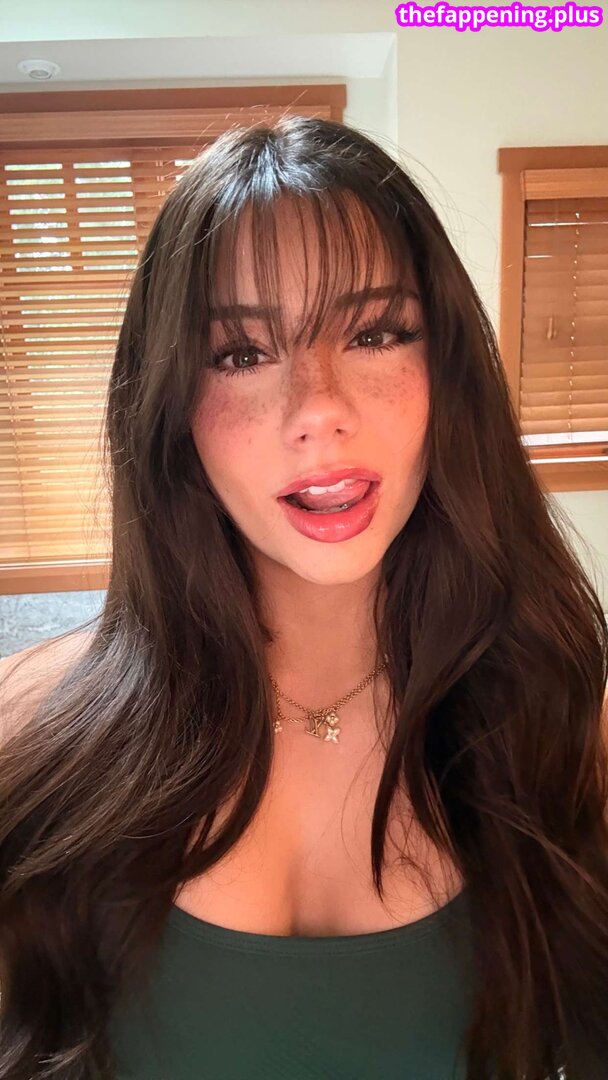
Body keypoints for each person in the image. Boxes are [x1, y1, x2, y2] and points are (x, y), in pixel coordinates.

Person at [0, 114, 607, 1080]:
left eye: (375, 333)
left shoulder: (565, 729)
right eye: (240, 353)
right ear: (172, 409)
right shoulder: (28, 736)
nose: (319, 407)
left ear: (446, 374)